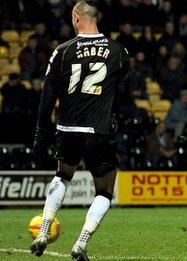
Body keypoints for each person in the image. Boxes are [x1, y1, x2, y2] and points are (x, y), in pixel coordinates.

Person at [30, 1, 129, 260]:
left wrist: (41, 133)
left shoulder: (62, 51)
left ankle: (44, 231)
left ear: (76, 18)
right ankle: (81, 242)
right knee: (105, 191)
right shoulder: (119, 51)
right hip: (100, 128)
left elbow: (47, 96)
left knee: (62, 176)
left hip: (68, 127)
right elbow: (123, 90)